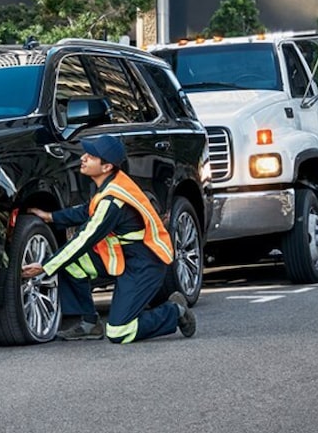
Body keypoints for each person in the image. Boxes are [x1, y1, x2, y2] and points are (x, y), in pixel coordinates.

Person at [22, 135, 197, 343]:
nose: (84, 158)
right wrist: (51, 217)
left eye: (91, 156)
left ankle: (174, 311)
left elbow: (83, 239)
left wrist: (45, 266)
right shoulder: (111, 184)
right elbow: (88, 210)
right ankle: (89, 324)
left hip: (146, 264)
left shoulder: (113, 202)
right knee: (70, 265)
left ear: (106, 167)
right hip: (125, 257)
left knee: (119, 332)